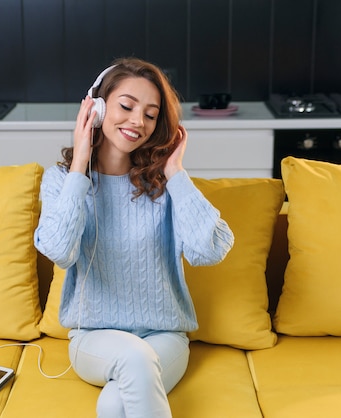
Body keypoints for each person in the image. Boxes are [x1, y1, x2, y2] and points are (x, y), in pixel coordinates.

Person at [34, 57, 234, 418]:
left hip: (165, 338)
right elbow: (59, 251)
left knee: (114, 404)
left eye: (151, 114)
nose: (138, 121)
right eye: (126, 106)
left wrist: (175, 171)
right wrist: (80, 161)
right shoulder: (62, 182)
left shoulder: (164, 185)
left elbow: (211, 250)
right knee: (133, 357)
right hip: (93, 339)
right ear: (96, 107)